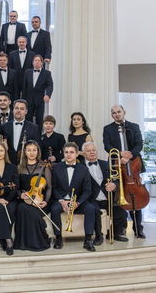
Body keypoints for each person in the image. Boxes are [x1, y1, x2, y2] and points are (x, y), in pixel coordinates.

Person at [102, 104, 145, 238]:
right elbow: (107, 146)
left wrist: (129, 155)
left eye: (118, 111)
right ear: (112, 115)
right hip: (117, 163)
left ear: (124, 112)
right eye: (114, 113)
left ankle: (138, 228)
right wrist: (120, 154)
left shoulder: (134, 126)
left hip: (133, 163)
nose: (117, 114)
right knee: (120, 195)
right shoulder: (107, 129)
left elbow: (139, 144)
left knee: (135, 195)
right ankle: (121, 228)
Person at [50, 142, 96, 252]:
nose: (68, 155)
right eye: (66, 152)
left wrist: (77, 203)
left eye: (71, 152)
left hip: (77, 201)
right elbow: (54, 188)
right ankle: (58, 238)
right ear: (63, 154)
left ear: (76, 154)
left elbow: (87, 190)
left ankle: (88, 240)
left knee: (90, 208)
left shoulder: (84, 169)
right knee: (54, 209)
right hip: (62, 200)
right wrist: (61, 201)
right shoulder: (56, 168)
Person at [82, 141, 128, 245]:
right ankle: (99, 236)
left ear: (97, 151)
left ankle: (114, 233)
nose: (92, 152)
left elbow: (116, 179)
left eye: (93, 150)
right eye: (88, 151)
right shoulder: (80, 166)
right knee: (95, 211)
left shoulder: (106, 164)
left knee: (121, 212)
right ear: (83, 153)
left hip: (107, 197)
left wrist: (114, 185)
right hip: (91, 199)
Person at [13, 141, 52, 251]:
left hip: (40, 200)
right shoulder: (19, 168)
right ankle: (23, 243)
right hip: (25, 199)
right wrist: (21, 195)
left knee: (32, 211)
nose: (31, 153)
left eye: (34, 150)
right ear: (25, 152)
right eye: (29, 150)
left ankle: (41, 241)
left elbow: (49, 188)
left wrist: (46, 201)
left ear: (38, 151)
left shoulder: (44, 167)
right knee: (22, 208)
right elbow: (16, 188)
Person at [0, 99, 40, 165]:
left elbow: (37, 148)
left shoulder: (34, 128)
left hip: (26, 164)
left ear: (26, 111)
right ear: (13, 110)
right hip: (7, 163)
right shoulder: (4, 127)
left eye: (22, 109)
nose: (18, 111)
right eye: (16, 108)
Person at [21, 54, 53, 125]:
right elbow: (24, 87)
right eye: (35, 60)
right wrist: (23, 101)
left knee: (39, 119)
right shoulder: (27, 72)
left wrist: (48, 95)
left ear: (42, 63)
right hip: (28, 100)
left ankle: (38, 132)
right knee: (28, 119)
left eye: (39, 60)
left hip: (40, 100)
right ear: (33, 62)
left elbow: (50, 85)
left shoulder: (47, 73)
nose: (37, 62)